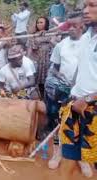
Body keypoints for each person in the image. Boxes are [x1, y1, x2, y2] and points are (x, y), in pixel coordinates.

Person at [45, 12, 92, 177]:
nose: (70, 29)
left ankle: (83, 159)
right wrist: (59, 77)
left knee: (83, 126)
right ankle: (57, 153)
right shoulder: (61, 45)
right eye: (69, 25)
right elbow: (53, 68)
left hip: (86, 92)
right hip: (65, 90)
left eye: (74, 25)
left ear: (82, 26)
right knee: (61, 122)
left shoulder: (89, 43)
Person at [59, 1, 97, 179]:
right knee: (70, 156)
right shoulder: (87, 37)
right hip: (75, 107)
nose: (86, 11)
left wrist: (88, 99)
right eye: (85, 7)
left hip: (92, 109)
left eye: (93, 5)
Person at [28, 17, 58, 97]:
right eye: (38, 22)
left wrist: (48, 36)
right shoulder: (34, 35)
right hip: (38, 60)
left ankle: (47, 98)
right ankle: (41, 98)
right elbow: (31, 49)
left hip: (48, 59)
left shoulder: (50, 34)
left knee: (48, 81)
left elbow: (55, 44)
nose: (39, 24)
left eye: (41, 22)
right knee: (38, 81)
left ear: (46, 24)